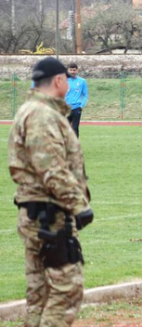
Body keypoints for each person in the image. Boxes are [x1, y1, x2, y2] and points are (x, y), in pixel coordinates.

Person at [9, 57, 94, 327]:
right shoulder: (42, 115)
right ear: (59, 80)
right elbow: (51, 168)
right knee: (67, 290)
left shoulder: (34, 110)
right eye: (66, 80)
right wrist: (79, 205)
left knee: (40, 294)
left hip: (38, 212)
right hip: (50, 215)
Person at [65, 63, 88, 138]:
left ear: (77, 70)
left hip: (76, 108)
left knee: (75, 128)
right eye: (71, 70)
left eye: (74, 70)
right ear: (67, 70)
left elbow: (85, 95)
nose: (72, 72)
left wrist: (81, 106)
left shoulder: (82, 81)